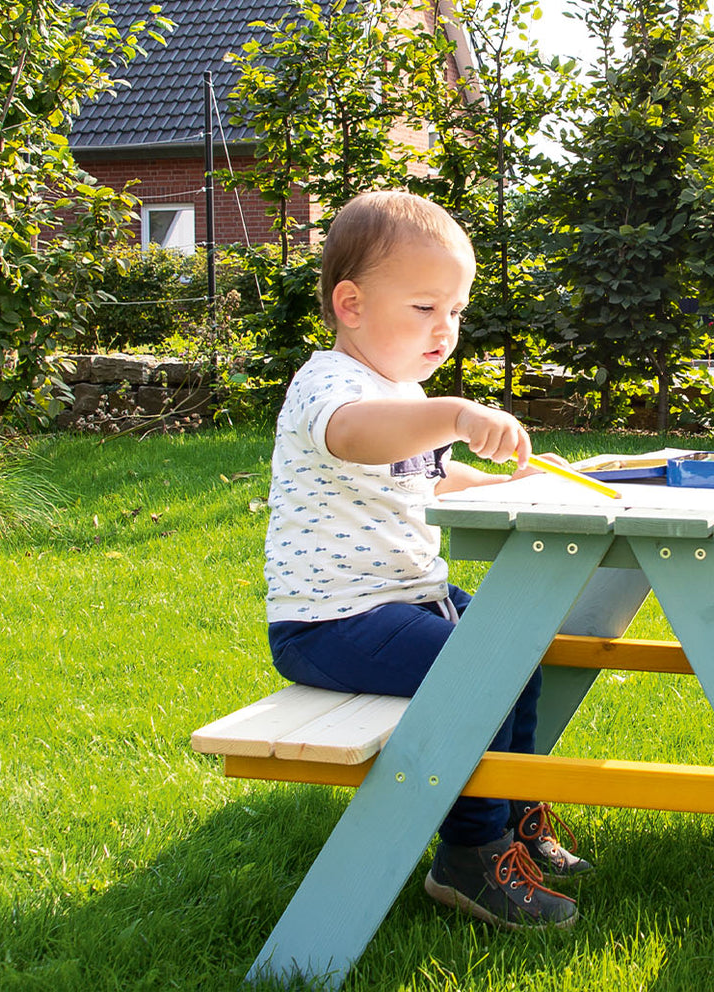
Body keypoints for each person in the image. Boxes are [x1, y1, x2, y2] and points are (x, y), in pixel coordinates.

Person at [263, 190, 590, 928]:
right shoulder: (333, 387)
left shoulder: (398, 391)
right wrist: (449, 412)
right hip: (331, 623)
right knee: (486, 670)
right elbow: (356, 438)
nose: (444, 329)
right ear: (350, 305)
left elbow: (429, 475)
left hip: (407, 600)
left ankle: (513, 816)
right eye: (423, 308)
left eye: (455, 311)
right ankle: (470, 855)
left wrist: (514, 479)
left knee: (519, 647)